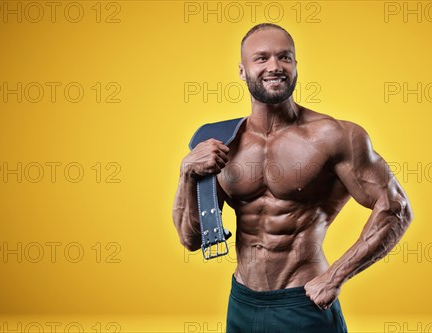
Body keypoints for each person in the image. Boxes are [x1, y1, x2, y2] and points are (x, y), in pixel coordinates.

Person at [173, 23, 413, 333]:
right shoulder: (220, 141)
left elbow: (395, 208)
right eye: (261, 58)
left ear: (295, 66)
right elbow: (191, 239)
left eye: (284, 57)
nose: (274, 66)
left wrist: (335, 277)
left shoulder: (333, 136)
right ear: (242, 71)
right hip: (242, 303)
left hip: (303, 302)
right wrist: (186, 174)